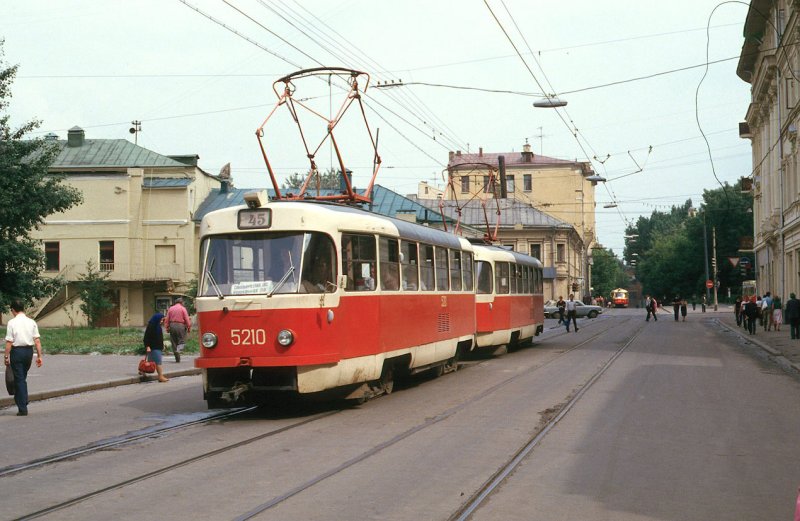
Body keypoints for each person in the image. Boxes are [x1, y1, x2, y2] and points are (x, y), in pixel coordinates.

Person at [4, 301, 44, 416]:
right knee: (22, 377)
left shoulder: (12, 322)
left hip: (17, 352)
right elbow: (37, 341)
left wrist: (6, 356)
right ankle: (23, 399)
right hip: (28, 352)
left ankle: (22, 407)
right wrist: (40, 356)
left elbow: (9, 342)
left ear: (13, 310)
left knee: (19, 378)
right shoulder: (31, 322)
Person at [142, 312, 168, 382]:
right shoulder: (151, 326)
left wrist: (162, 345)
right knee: (158, 363)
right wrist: (147, 346)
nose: (162, 321)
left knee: (150, 362)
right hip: (153, 347)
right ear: (157, 318)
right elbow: (146, 337)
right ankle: (160, 376)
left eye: (163, 320)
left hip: (157, 346)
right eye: (161, 319)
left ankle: (142, 371)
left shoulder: (157, 326)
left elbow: (159, 337)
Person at [165, 297, 191, 363]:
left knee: (173, 341)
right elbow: (187, 319)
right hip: (180, 325)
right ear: (181, 302)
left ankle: (177, 357)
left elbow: (167, 319)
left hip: (172, 325)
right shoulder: (183, 309)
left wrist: (167, 327)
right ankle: (178, 350)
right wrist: (189, 327)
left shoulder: (171, 308)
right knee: (181, 340)